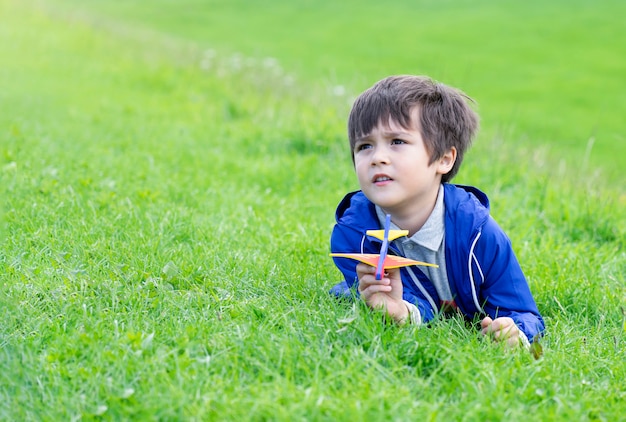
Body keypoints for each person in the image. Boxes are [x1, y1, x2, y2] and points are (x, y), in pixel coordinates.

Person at [330, 75, 544, 348]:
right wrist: (399, 311)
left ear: (444, 159)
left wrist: (516, 332)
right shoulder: (352, 236)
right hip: (411, 305)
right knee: (351, 294)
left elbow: (522, 310)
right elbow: (400, 304)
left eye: (397, 141)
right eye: (364, 146)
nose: (377, 157)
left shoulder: (479, 234)